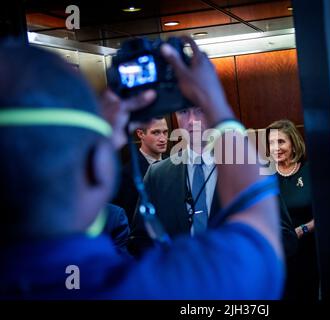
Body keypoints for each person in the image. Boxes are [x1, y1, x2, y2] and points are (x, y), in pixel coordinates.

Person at [0, 38, 284, 299]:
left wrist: (96, 141)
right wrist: (216, 105)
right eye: (185, 110)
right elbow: (259, 231)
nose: (192, 119)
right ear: (97, 170)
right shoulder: (151, 288)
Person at [128, 106, 222, 256]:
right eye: (183, 112)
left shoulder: (244, 171)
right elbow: (141, 240)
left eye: (199, 110)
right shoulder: (157, 175)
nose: (191, 121)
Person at [267, 119, 319, 300]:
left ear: (294, 144)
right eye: (271, 143)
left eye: (281, 141)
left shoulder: (310, 172)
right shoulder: (266, 179)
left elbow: (325, 214)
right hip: (279, 258)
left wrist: (302, 230)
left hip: (309, 254)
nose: (275, 148)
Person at [112, 118, 168, 220]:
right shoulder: (127, 173)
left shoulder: (174, 164)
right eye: (156, 133)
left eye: (165, 132)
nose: (163, 139)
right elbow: (128, 216)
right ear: (140, 134)